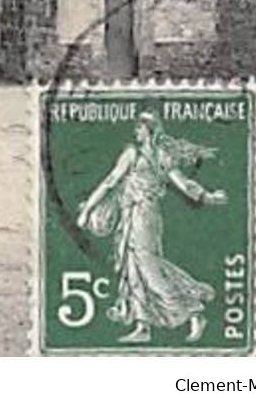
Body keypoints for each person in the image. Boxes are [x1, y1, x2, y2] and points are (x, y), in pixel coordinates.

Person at [76, 111, 228, 344]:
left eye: (139, 128)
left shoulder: (140, 154)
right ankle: (142, 325)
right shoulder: (157, 154)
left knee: (148, 267)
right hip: (134, 214)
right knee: (133, 268)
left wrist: (87, 210)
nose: (135, 131)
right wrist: (208, 197)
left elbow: (111, 182)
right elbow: (183, 185)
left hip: (143, 215)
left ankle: (193, 311)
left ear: (149, 130)